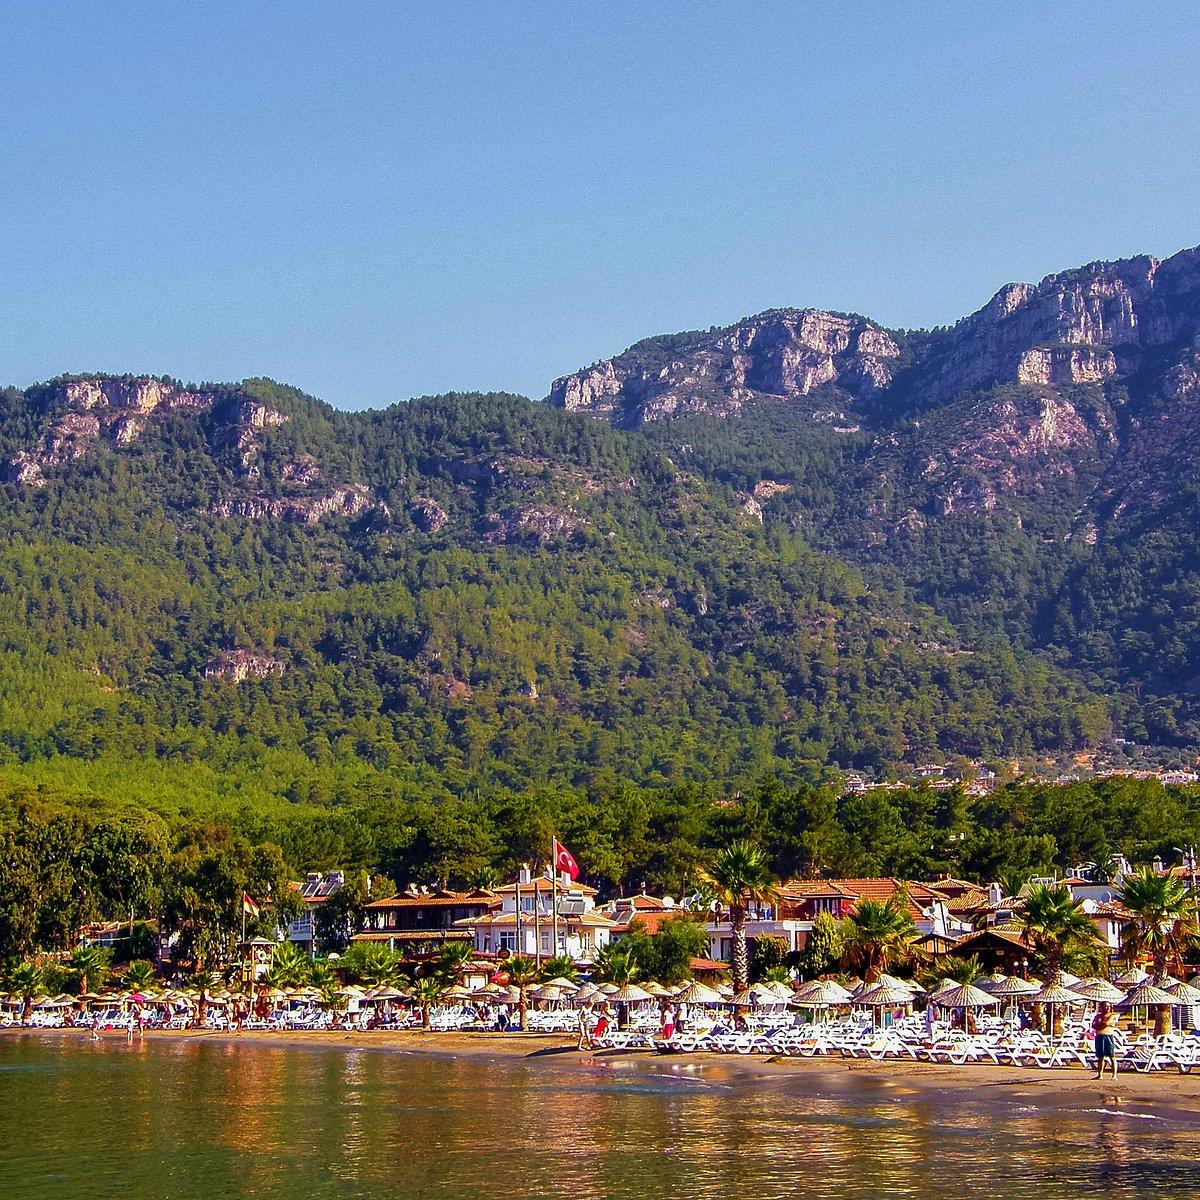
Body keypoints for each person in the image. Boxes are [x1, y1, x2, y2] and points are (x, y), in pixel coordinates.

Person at [1093, 1003, 1119, 1079]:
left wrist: (1100, 1024)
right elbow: (1094, 1025)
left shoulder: (1112, 1016)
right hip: (1099, 1036)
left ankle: (1114, 1075)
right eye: (1105, 1006)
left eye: (1108, 1006)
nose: (1106, 1008)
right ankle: (1100, 1074)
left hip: (1108, 1036)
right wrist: (1101, 1024)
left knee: (1112, 1056)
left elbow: (1107, 1023)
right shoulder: (1098, 1016)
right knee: (1100, 1057)